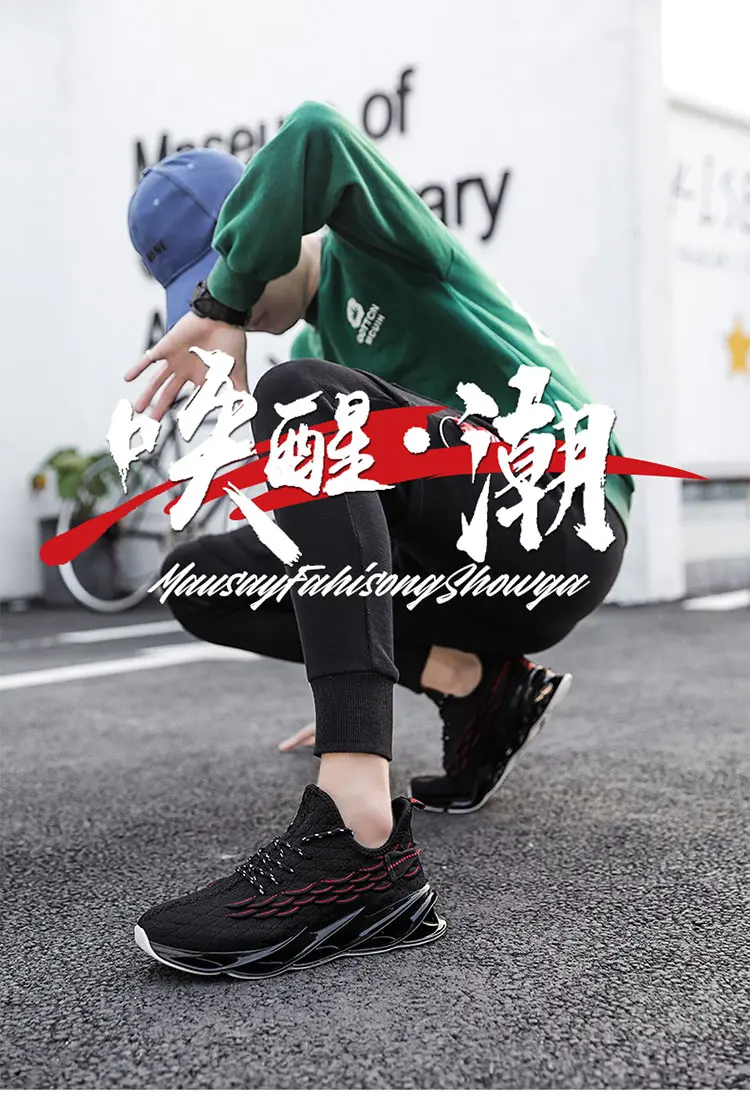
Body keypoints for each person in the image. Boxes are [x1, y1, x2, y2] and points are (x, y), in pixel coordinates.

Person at [125, 102, 632, 979]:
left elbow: (315, 135)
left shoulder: (381, 250)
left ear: (266, 221)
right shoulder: (323, 347)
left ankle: (359, 835)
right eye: (205, 288)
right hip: (472, 571)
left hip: (561, 516)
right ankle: (476, 685)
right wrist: (355, 655)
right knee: (199, 576)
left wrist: (219, 299)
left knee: (299, 396)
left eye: (233, 267)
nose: (241, 310)